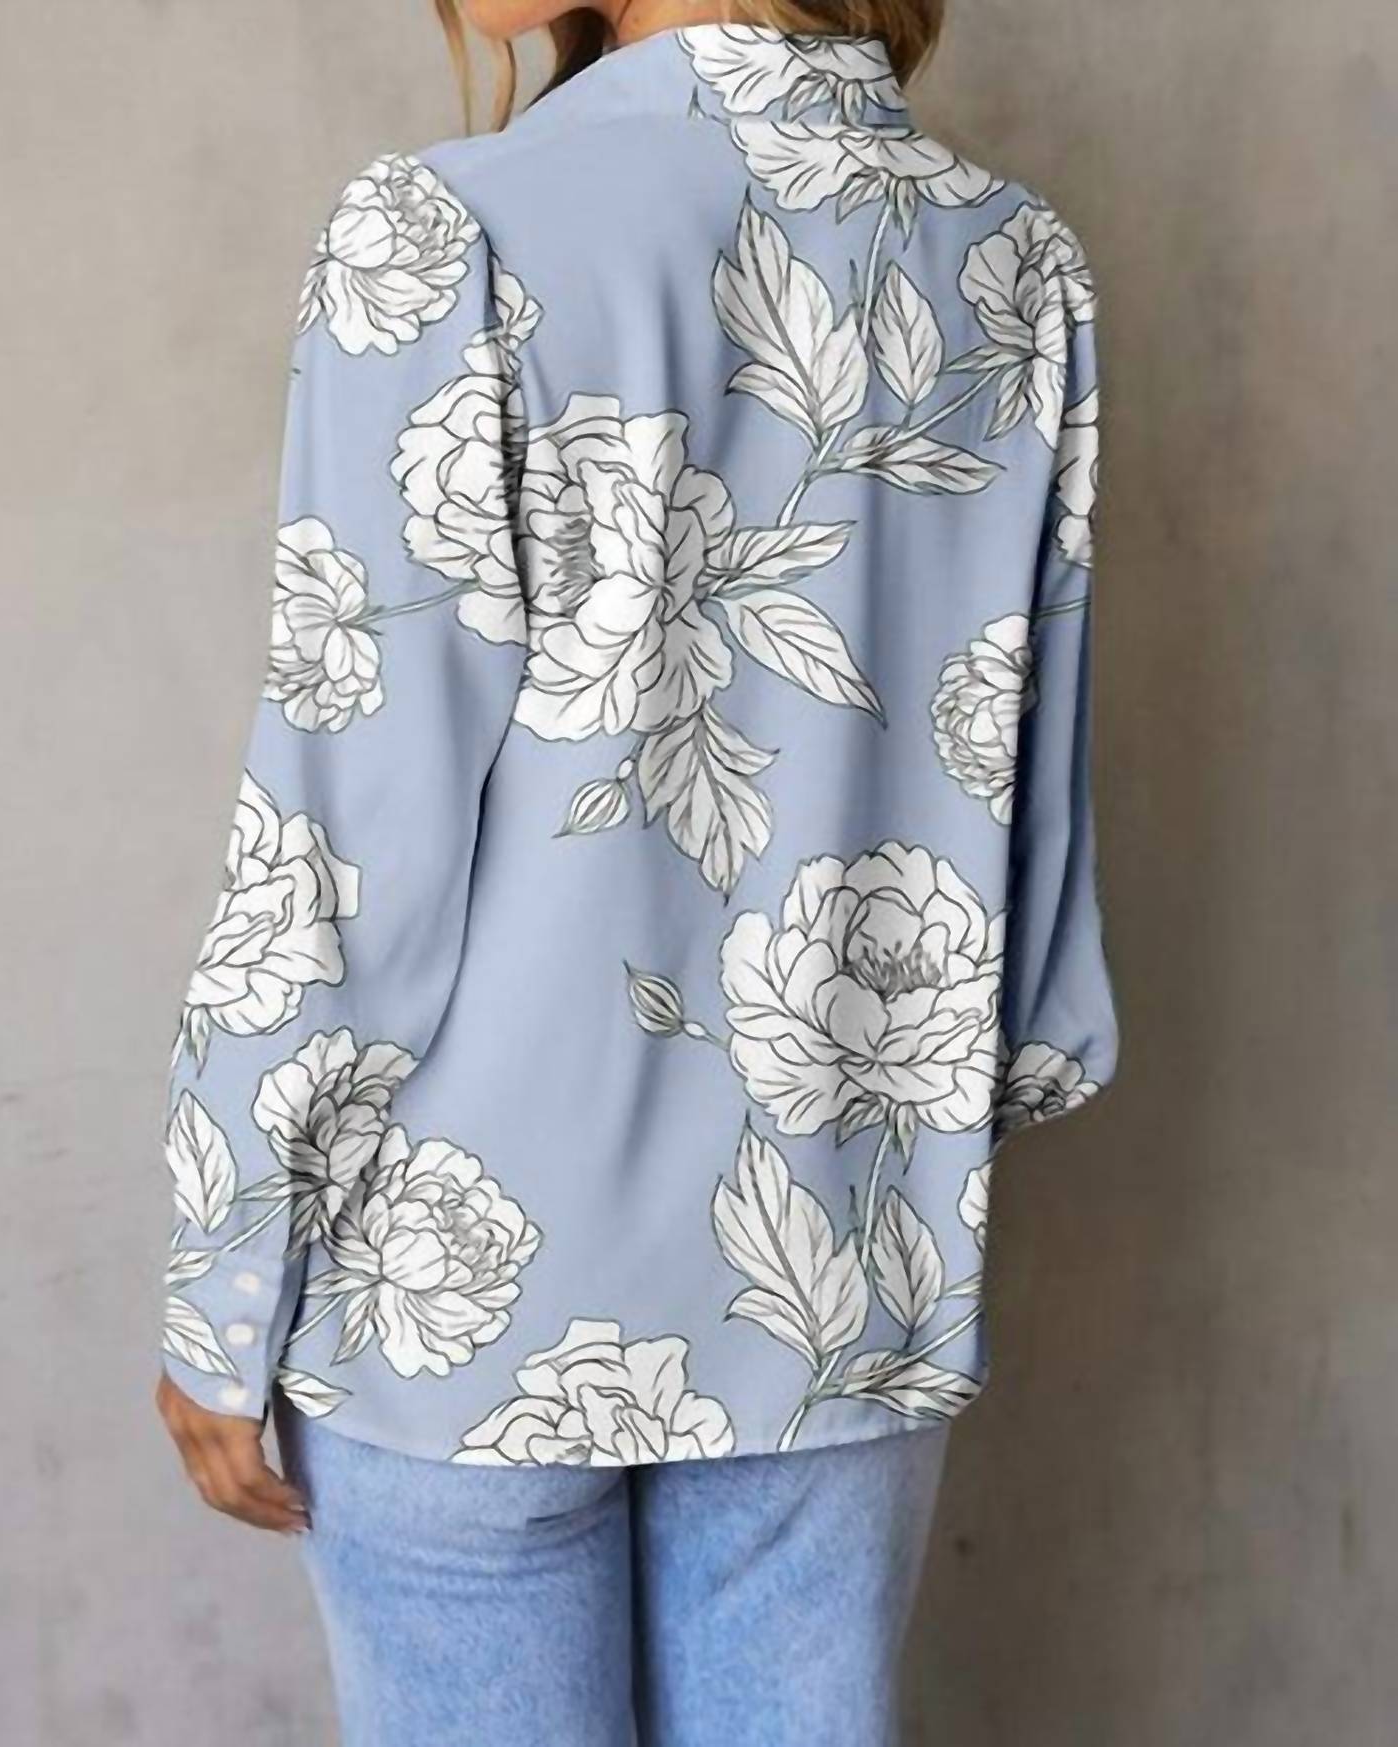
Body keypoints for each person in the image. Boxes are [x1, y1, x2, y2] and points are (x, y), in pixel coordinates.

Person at [154, 2, 1119, 1740]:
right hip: (841, 1255)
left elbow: (347, 828)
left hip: (473, 1280)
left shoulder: (450, 228)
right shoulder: (1017, 259)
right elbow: (1027, 799)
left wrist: (227, 1276)